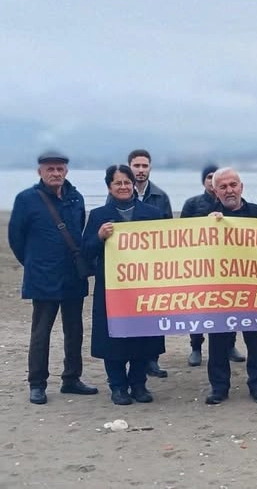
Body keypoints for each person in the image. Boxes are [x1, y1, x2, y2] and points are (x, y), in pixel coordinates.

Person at [8, 151, 98, 405]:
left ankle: (71, 378)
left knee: (75, 330)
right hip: (43, 277)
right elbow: (16, 238)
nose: (55, 173)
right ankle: (37, 383)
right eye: (50, 169)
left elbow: (79, 230)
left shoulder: (76, 198)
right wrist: (34, 263)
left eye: (59, 169)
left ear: (66, 171)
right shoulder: (26, 199)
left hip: (73, 275)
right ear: (40, 172)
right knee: (41, 333)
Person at [83, 165, 166, 405]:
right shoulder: (99, 215)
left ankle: (139, 384)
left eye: (127, 182)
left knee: (143, 336)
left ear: (134, 185)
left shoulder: (152, 214)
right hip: (112, 289)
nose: (123, 187)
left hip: (144, 287)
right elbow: (85, 252)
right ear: (109, 187)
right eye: (117, 183)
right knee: (113, 338)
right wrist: (99, 237)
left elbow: (168, 248)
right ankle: (118, 386)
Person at [205, 168, 257, 405]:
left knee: (255, 340)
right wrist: (209, 226)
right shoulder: (207, 218)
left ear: (241, 187)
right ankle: (219, 388)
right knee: (218, 341)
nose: (229, 190)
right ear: (215, 191)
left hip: (253, 288)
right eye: (223, 187)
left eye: (233, 185)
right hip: (220, 291)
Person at [183, 164, 245, 367]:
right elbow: (181, 233)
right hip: (201, 266)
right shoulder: (192, 204)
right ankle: (196, 347)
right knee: (199, 310)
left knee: (229, 309)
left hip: (229, 267)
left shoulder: (236, 206)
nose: (211, 181)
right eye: (209, 177)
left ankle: (230, 345)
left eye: (214, 177)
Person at [126, 149, 173, 379]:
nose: (141, 170)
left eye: (144, 166)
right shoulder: (120, 192)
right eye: (137, 166)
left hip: (154, 265)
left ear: (150, 168)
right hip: (128, 265)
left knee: (154, 314)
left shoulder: (160, 196)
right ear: (130, 167)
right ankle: (132, 357)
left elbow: (169, 229)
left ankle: (152, 360)